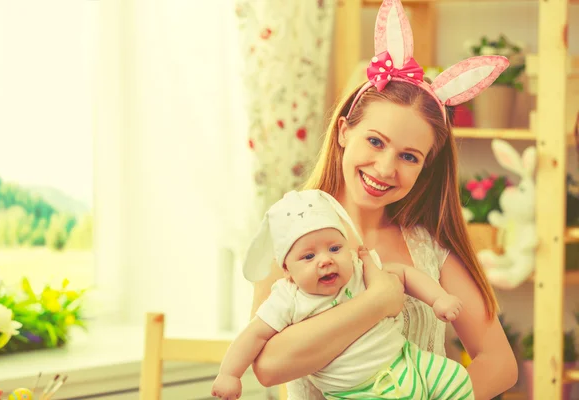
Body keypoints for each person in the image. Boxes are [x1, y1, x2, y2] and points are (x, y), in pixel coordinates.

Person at [247, 0, 518, 399]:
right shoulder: (292, 232)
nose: (386, 168)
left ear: (425, 166)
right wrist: (379, 302)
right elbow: (268, 366)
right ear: (343, 132)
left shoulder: (431, 250)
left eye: (409, 156)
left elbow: (500, 362)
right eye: (375, 141)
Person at [211, 189, 471, 400]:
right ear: (287, 269)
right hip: (357, 391)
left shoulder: (360, 269)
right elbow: (253, 334)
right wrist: (229, 374)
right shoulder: (287, 299)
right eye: (309, 256)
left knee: (456, 378)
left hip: (407, 360)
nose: (325, 260)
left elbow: (403, 274)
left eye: (335, 248)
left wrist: (438, 298)